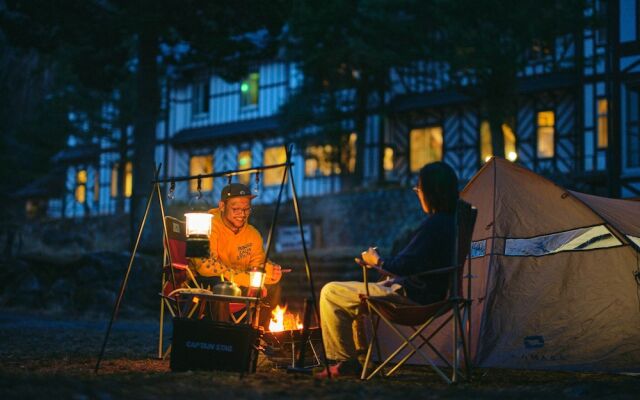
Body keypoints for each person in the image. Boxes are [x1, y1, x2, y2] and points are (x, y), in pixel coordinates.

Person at [317, 161, 459, 378]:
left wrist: (377, 261)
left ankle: (346, 362)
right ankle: (361, 360)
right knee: (356, 298)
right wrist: (394, 279)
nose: (418, 194)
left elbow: (403, 265)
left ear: (430, 192)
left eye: (419, 189)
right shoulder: (452, 222)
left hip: (414, 299)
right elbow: (422, 265)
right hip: (430, 294)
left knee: (331, 292)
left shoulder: (435, 224)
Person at [190, 183, 282, 327]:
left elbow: (258, 264)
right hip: (207, 284)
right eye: (236, 209)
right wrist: (245, 279)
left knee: (273, 286)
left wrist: (271, 272)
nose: (242, 214)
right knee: (221, 287)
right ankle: (222, 336)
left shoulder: (253, 234)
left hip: (240, 285)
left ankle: (260, 336)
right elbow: (205, 266)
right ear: (222, 206)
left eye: (246, 209)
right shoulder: (203, 226)